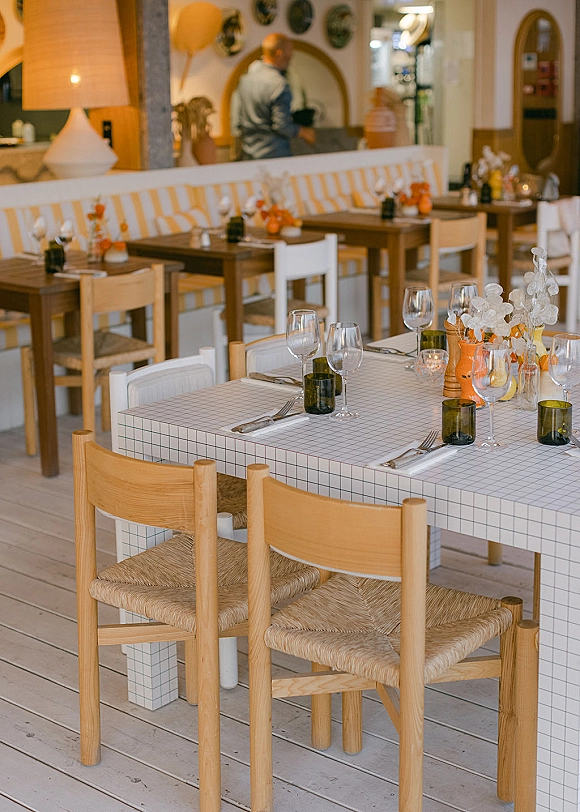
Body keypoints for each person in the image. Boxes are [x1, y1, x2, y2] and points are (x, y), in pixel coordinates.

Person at [236, 33, 316, 160]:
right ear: (280, 54)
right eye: (290, 51)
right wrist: (303, 132)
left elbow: (238, 119)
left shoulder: (246, 79)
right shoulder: (279, 84)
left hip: (248, 153)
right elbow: (281, 126)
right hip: (274, 154)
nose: (292, 56)